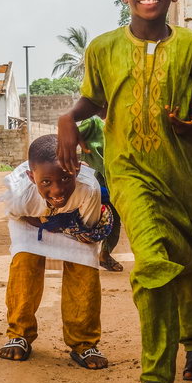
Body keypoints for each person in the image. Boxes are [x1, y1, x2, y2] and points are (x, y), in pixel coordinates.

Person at [57, 0, 192, 383]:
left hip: (182, 173)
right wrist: (69, 116)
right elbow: (92, 98)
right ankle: (154, 376)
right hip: (130, 172)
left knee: (189, 264)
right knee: (152, 264)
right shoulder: (102, 49)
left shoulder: (190, 46)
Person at [0, 134, 114, 370]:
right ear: (32, 177)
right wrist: (47, 220)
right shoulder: (21, 194)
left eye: (65, 178)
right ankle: (19, 334)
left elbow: (88, 227)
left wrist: (65, 224)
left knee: (84, 270)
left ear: (77, 169)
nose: (58, 189)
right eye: (46, 182)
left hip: (75, 225)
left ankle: (83, 342)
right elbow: (18, 218)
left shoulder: (88, 189)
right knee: (25, 263)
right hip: (29, 223)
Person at [77, 116, 124, 272]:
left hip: (114, 180)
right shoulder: (92, 122)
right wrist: (73, 160)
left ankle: (104, 254)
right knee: (87, 219)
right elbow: (69, 136)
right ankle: (79, 258)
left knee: (115, 219)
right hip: (94, 180)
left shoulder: (117, 124)